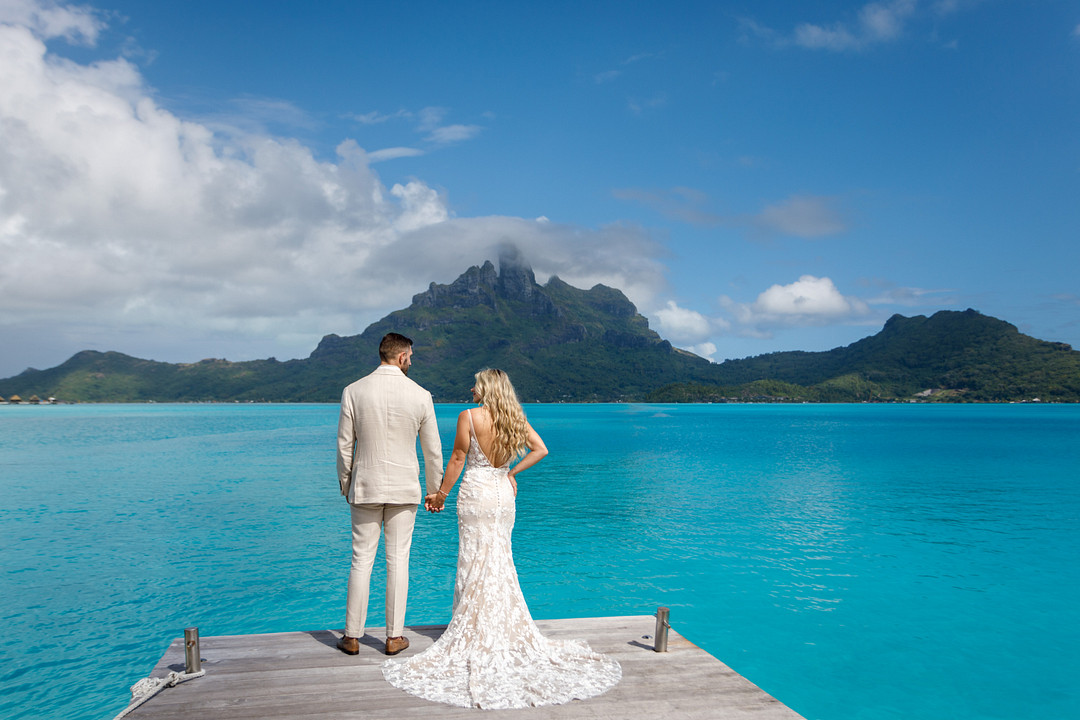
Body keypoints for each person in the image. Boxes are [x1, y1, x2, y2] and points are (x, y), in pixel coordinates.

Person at [382, 369, 621, 709]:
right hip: (501, 494)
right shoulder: (514, 418)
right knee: (498, 557)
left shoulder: (468, 416)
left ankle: (473, 626)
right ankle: (499, 627)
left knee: (474, 557)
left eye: (475, 384)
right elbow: (540, 450)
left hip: (476, 492)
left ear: (486, 389)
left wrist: (440, 494)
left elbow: (459, 458)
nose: (471, 388)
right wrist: (510, 472)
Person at [336, 332, 443, 657]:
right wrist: (434, 490)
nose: (411, 361)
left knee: (361, 560)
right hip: (404, 488)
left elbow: (344, 446)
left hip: (365, 487)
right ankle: (394, 637)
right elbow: (432, 450)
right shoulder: (421, 395)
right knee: (398, 561)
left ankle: (352, 636)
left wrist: (346, 483)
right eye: (410, 356)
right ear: (400, 357)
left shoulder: (353, 391)